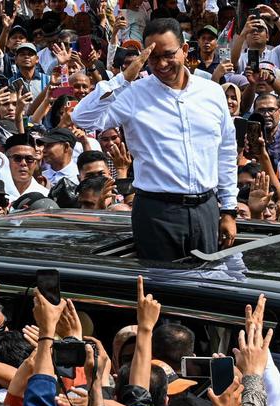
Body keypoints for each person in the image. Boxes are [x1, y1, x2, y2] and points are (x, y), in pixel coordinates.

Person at [72, 17, 237, 260]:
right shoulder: (133, 94)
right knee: (163, 291)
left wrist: (229, 209)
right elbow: (82, 118)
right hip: (157, 212)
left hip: (206, 209)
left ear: (184, 50)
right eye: (153, 57)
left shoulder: (211, 92)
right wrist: (124, 78)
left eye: (169, 55)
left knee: (206, 288)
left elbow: (226, 152)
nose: (161, 64)